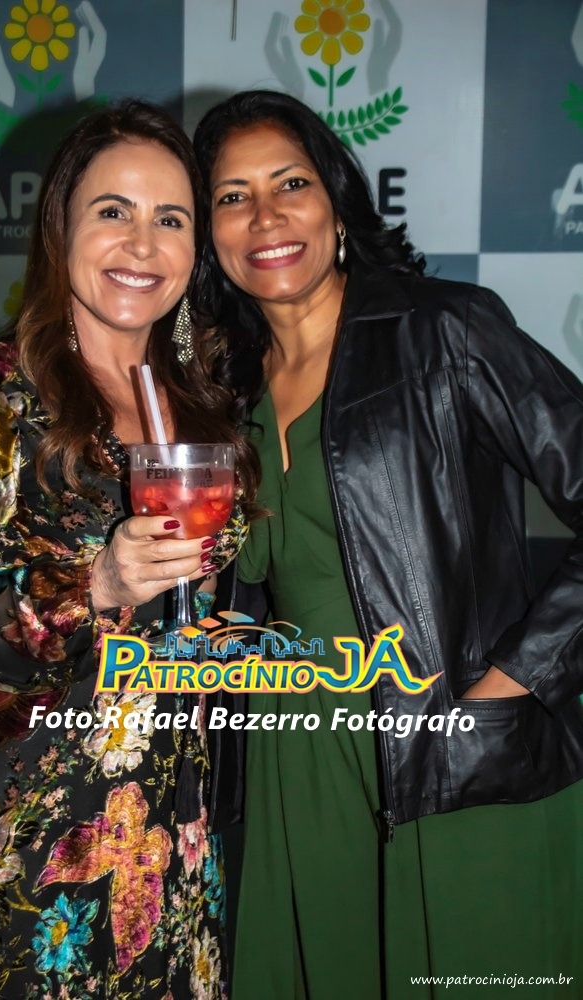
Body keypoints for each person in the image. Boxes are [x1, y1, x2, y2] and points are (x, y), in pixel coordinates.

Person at [192, 90, 583, 999]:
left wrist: (508, 685)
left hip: (448, 758)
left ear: (338, 201)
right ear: (210, 234)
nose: (265, 216)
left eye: (290, 184)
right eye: (232, 196)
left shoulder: (443, 331)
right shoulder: (222, 392)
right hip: (295, 768)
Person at [0, 98, 258, 999]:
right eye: (114, 211)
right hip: (23, 833)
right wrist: (92, 582)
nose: (143, 243)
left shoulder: (205, 404)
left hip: (173, 833)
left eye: (170, 219)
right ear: (60, 226)